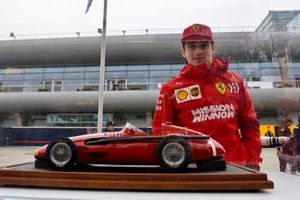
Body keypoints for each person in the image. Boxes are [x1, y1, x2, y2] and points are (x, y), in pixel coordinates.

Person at [152, 23, 262, 170]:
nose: (198, 52)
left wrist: (253, 160)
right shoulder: (170, 89)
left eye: (204, 45)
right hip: (193, 169)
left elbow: (250, 125)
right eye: (191, 46)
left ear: (213, 48)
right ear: (183, 52)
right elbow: (161, 133)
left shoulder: (235, 82)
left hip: (237, 166)